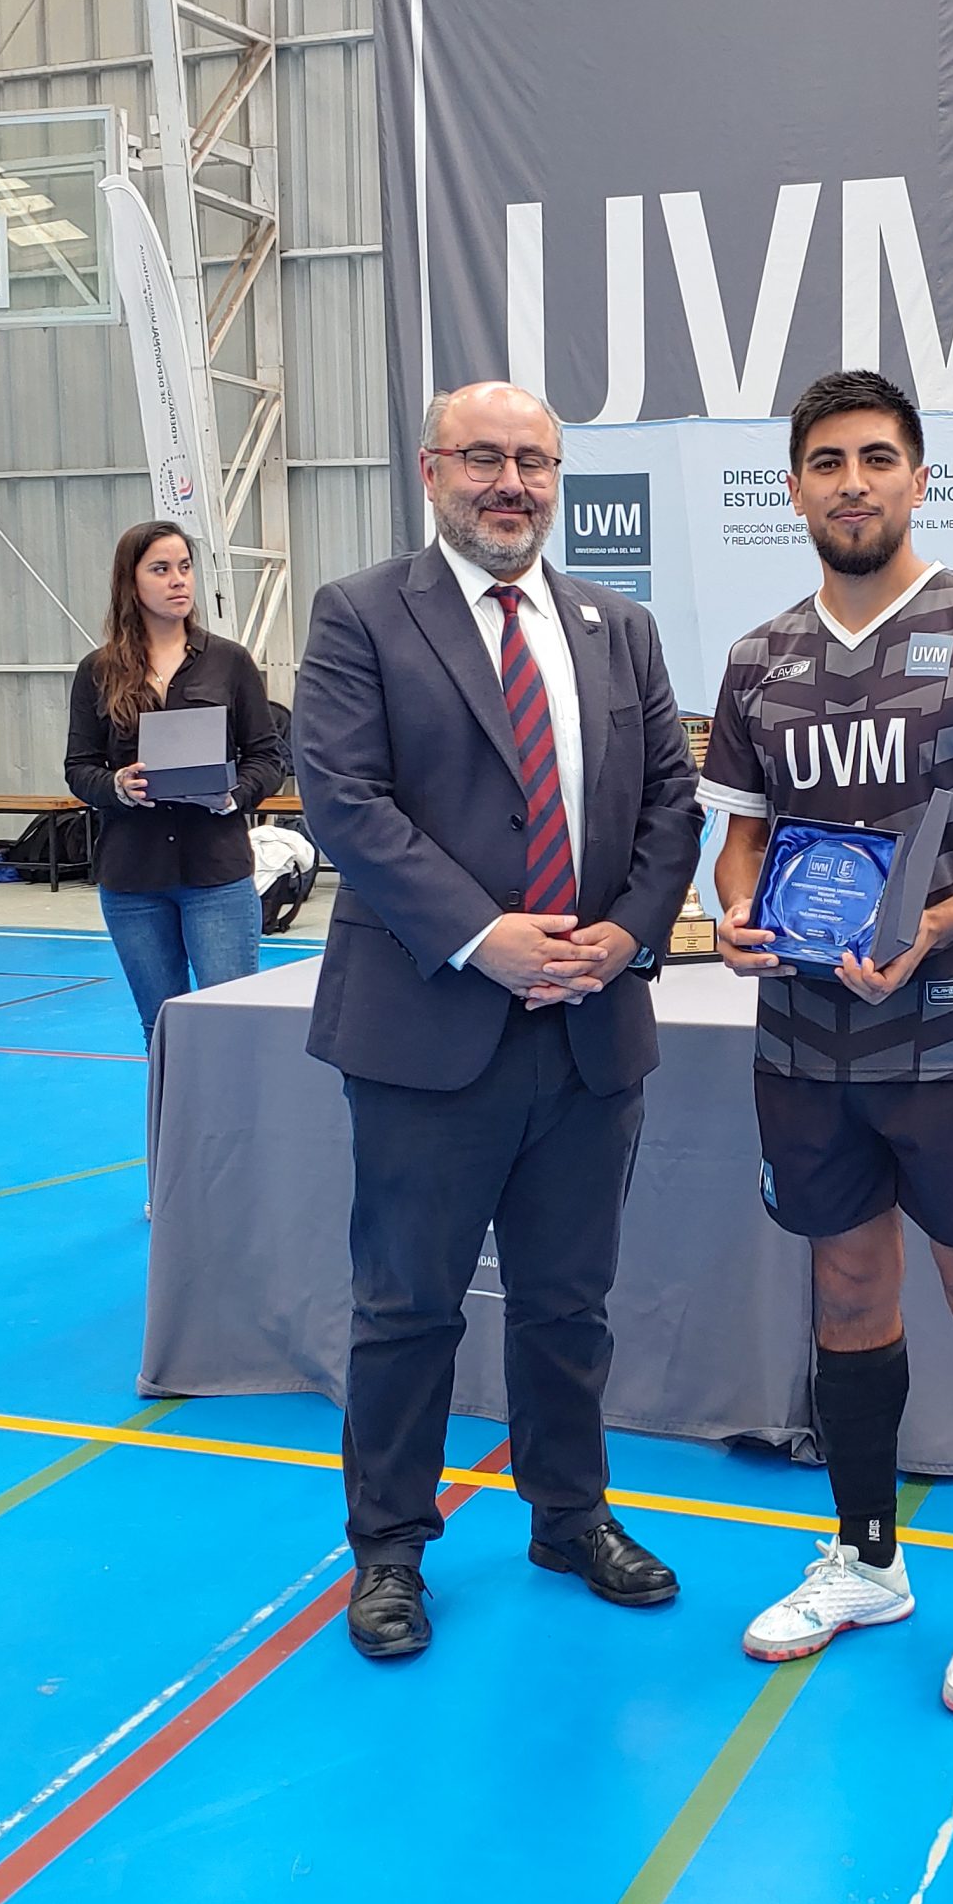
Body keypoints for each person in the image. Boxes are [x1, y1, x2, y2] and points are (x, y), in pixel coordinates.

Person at [700, 368, 953, 1718]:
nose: (852, 480)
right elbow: (741, 838)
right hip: (806, 1044)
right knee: (849, 1296)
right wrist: (737, 909)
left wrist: (939, 919)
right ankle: (869, 1559)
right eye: (826, 460)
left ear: (919, 478)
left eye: (877, 457)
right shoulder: (758, 658)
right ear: (795, 486)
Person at [294, 380, 703, 1662]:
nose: (510, 482)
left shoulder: (617, 628)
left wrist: (628, 934)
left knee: (568, 1301)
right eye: (484, 457)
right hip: (430, 1026)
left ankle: (569, 1514)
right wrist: (487, 936)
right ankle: (392, 1550)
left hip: (590, 1029)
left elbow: (674, 806)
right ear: (432, 469)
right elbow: (344, 800)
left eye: (532, 459)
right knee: (407, 1303)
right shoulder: (363, 614)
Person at [65, 523, 283, 1047]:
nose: (178, 581)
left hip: (216, 876)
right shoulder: (97, 671)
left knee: (231, 1024)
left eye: (184, 567)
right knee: (159, 1028)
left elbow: (268, 756)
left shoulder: (229, 662)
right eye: (160, 570)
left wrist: (235, 793)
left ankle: (236, 1132)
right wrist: (117, 784)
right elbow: (78, 767)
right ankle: (176, 1131)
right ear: (130, 583)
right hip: (133, 879)